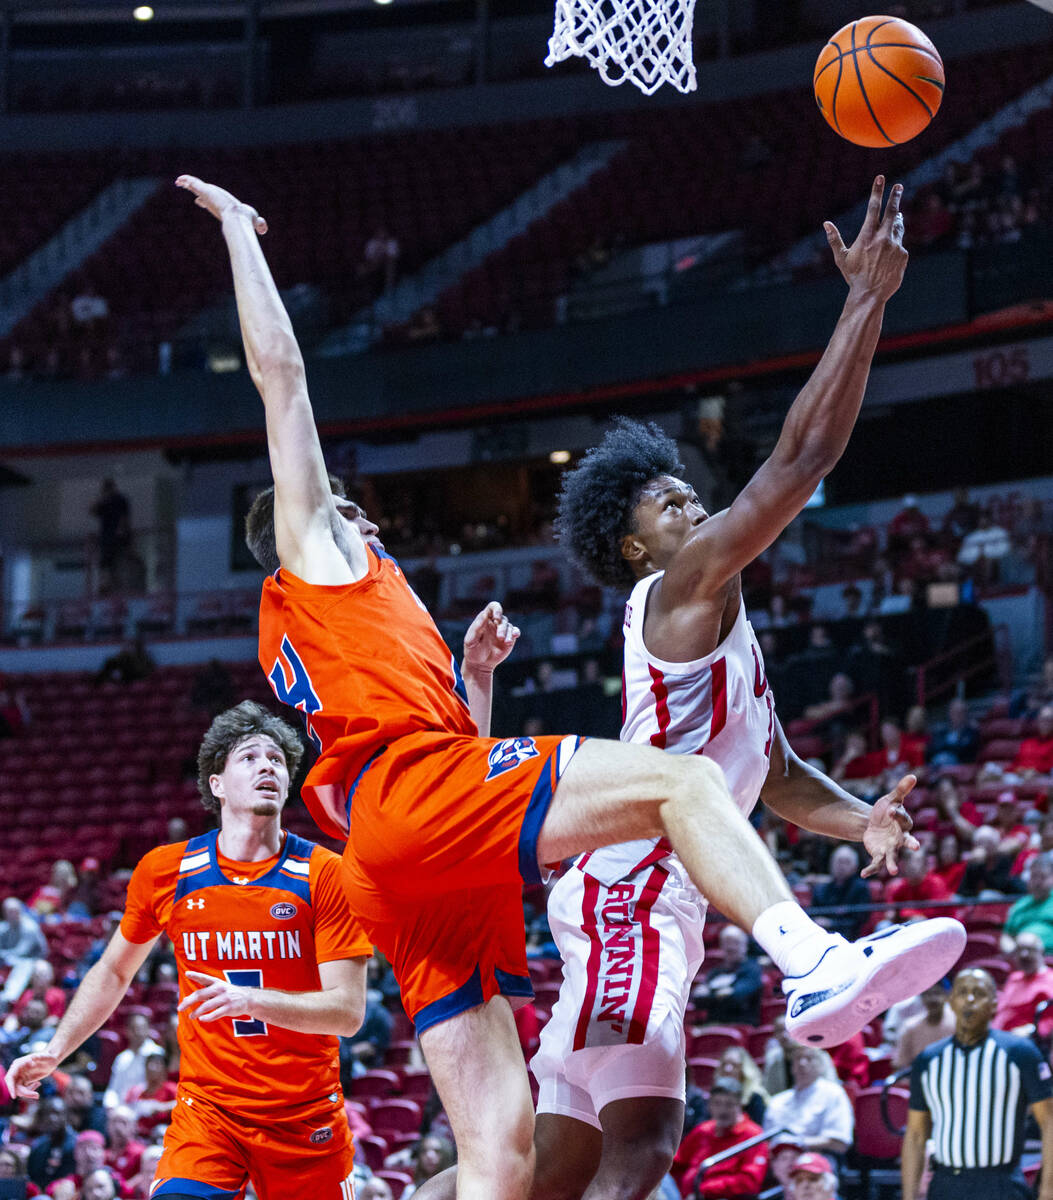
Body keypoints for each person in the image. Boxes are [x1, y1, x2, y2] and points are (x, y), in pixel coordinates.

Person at [177, 172, 964, 1200]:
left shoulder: (378, 616)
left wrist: (473, 681)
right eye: (348, 508)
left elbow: (763, 769)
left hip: (408, 845)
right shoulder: (320, 554)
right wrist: (242, 234)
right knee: (682, 786)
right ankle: (812, 961)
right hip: (496, 832)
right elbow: (281, 381)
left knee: (506, 1162)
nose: (364, 520)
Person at [526, 186, 962, 1197]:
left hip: (643, 892)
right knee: (641, 1144)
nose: (692, 503)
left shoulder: (717, 624)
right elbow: (802, 457)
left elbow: (772, 773)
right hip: (636, 886)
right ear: (634, 546)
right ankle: (812, 962)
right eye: (667, 503)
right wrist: (864, 302)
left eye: (690, 490)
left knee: (561, 1165)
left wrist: (856, 821)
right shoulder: (676, 589)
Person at [5, 700, 372, 1200]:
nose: (267, 766)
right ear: (216, 784)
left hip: (304, 1117)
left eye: (277, 760)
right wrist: (55, 1049)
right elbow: (113, 972)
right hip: (209, 1115)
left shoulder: (325, 874)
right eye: (249, 757)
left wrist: (250, 1001)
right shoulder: (167, 870)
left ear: (289, 783)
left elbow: (347, 1012)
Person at [901, 968, 1053, 1200]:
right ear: (951, 1001)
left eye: (979, 993)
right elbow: (915, 1135)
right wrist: (909, 1196)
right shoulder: (928, 1060)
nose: (970, 999)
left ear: (994, 1004)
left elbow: (1049, 1124)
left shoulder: (1020, 1052)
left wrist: (1048, 1191)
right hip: (945, 1184)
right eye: (962, 992)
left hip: (1001, 1184)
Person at [670, 1077, 767, 1198]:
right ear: (709, 1105)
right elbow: (676, 1164)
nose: (722, 1110)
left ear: (740, 1105)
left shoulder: (753, 1135)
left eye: (729, 1104)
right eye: (717, 1103)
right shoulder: (703, 1130)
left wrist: (702, 1190)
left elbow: (749, 1182)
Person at [763, 1047, 853, 1168]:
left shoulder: (834, 1094)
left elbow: (839, 1142)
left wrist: (796, 1143)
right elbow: (767, 1142)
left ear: (821, 1065)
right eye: (798, 1058)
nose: (802, 1063)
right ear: (792, 1066)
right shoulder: (777, 1101)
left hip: (817, 1159)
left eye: (809, 1058)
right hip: (778, 1161)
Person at [690, 926, 762, 1026]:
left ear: (745, 946)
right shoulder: (715, 972)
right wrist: (721, 994)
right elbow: (697, 998)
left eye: (735, 942)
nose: (731, 947)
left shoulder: (752, 969)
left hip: (741, 1025)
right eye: (726, 943)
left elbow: (737, 997)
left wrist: (711, 994)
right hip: (713, 1024)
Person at [994, 931, 1053, 1037]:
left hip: (1026, 1039)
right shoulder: (1014, 978)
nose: (1024, 955)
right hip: (999, 1035)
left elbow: (1049, 1020)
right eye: (1019, 950)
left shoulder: (1050, 979)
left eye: (1029, 949)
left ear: (1040, 951)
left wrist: (1032, 1029)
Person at [103, 1013, 163, 1109]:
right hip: (122, 1109)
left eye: (142, 1028)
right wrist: (111, 1107)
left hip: (148, 1107)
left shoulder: (157, 1053)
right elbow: (113, 1088)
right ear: (127, 1031)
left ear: (148, 1030)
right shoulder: (122, 1058)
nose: (138, 1032)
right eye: (134, 1029)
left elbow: (160, 1087)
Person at [811, 845, 871, 941]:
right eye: (838, 861)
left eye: (846, 862)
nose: (841, 866)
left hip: (850, 937)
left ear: (854, 867)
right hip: (822, 936)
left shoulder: (860, 888)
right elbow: (814, 915)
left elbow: (859, 920)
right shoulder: (821, 889)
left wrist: (831, 923)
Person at [893, 983, 955, 1069]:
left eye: (937, 993)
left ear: (946, 996)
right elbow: (900, 1063)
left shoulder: (958, 1024)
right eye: (928, 994)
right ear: (921, 999)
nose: (933, 999)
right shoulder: (910, 1027)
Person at [1002, 853, 1053, 953]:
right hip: (1021, 956)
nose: (1037, 882)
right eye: (1034, 876)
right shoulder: (1020, 905)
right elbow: (1007, 936)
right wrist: (1012, 950)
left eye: (1043, 877)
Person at [713, 1046, 770, 1126]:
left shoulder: (755, 1097)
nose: (727, 1069)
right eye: (724, 1064)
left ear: (744, 1069)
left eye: (734, 1065)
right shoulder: (716, 1094)